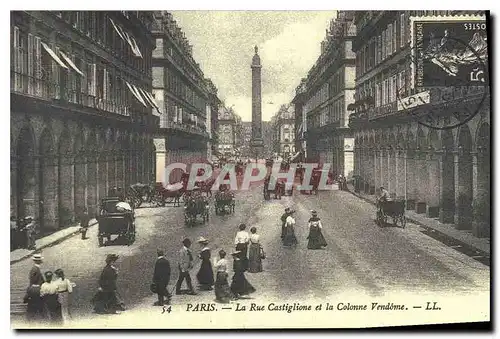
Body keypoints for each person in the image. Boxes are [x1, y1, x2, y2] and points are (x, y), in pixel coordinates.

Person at [24, 254, 45, 322]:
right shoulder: (35, 269)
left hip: (35, 288)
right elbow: (33, 280)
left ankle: (34, 317)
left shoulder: (36, 268)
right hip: (36, 288)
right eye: (40, 260)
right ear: (38, 261)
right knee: (37, 303)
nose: (41, 261)